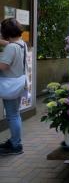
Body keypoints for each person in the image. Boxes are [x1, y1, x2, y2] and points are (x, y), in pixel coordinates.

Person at [0, 18, 26, 155]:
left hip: (9, 84)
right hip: (18, 83)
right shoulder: (22, 43)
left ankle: (16, 145)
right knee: (15, 115)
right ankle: (15, 141)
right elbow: (9, 44)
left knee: (12, 116)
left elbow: (3, 66)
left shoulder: (11, 47)